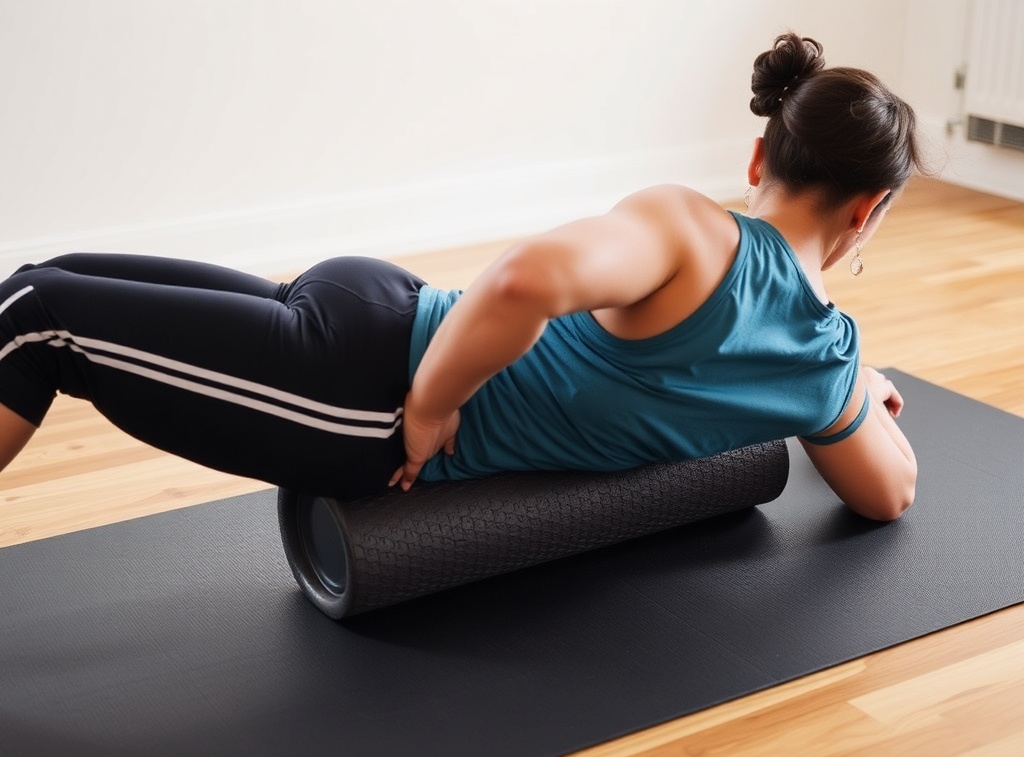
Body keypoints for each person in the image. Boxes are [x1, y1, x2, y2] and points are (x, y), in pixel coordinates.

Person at [0, 32, 919, 521]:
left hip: (362, 352)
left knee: (37, 304)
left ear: (760, 155)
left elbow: (523, 278)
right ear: (867, 208)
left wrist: (427, 394)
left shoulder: (689, 226)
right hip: (377, 373)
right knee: (41, 300)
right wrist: (857, 396)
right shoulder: (824, 362)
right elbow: (891, 495)